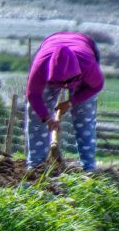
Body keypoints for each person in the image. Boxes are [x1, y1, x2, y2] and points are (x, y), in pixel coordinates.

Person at [25, 32, 104, 171]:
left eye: (66, 82)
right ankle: (36, 166)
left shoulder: (88, 66)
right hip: (50, 44)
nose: (64, 86)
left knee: (84, 115)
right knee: (36, 114)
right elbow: (32, 95)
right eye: (59, 82)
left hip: (82, 55)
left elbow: (97, 86)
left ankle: (88, 167)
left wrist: (71, 102)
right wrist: (46, 118)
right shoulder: (41, 66)